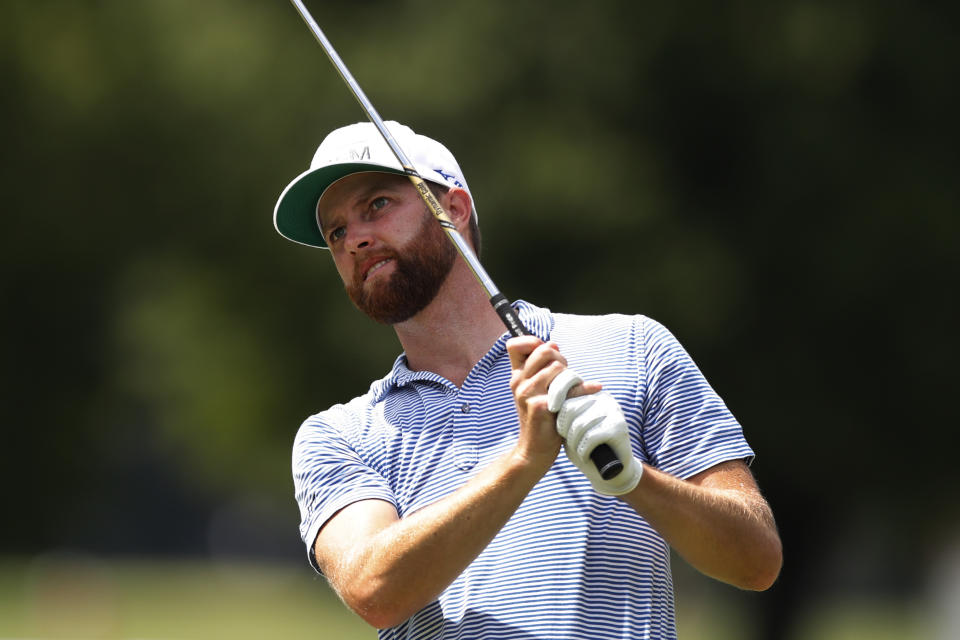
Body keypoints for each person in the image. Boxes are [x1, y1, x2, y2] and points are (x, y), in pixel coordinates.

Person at [274, 121, 782, 639]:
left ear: (452, 208)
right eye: (335, 233)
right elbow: (374, 591)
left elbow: (756, 561)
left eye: (378, 204)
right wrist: (524, 459)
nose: (355, 239)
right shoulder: (338, 435)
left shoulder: (632, 347)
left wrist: (633, 480)